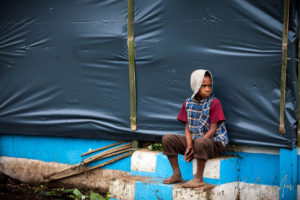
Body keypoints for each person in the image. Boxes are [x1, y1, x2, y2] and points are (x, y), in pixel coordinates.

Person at [162, 69, 229, 188]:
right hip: (196, 142)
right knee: (167, 139)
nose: (208, 89)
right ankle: (176, 174)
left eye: (209, 85)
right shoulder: (187, 103)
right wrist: (189, 146)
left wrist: (196, 145)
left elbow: (213, 129)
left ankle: (199, 178)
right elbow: (187, 128)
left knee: (200, 142)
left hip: (213, 143)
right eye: (203, 86)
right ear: (196, 85)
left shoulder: (214, 102)